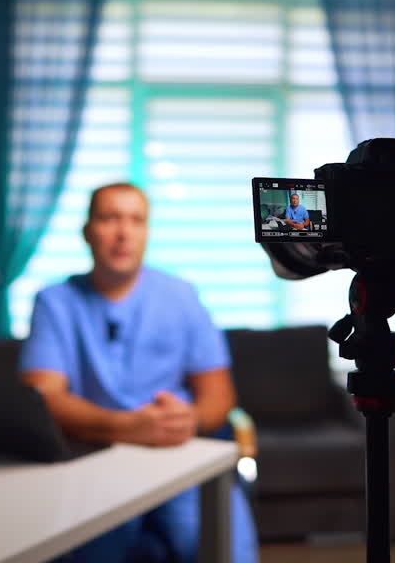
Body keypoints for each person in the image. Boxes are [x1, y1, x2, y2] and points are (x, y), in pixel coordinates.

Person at [20, 182, 258, 563]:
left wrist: (189, 420)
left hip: (177, 456)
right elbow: (42, 397)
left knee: (223, 547)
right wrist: (125, 427)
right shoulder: (55, 302)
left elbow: (218, 394)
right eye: (109, 218)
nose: (123, 233)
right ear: (87, 231)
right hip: (93, 462)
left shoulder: (181, 296)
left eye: (136, 220)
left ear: (147, 231)